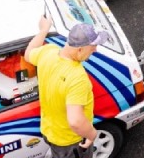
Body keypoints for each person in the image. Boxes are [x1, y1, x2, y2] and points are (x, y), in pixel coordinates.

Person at [26, 17, 106, 157]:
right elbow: (75, 121)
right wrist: (92, 134)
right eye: (92, 49)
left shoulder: (48, 51)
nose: (95, 51)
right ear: (80, 50)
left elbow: (28, 53)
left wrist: (43, 30)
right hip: (71, 142)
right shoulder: (78, 77)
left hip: (49, 131)